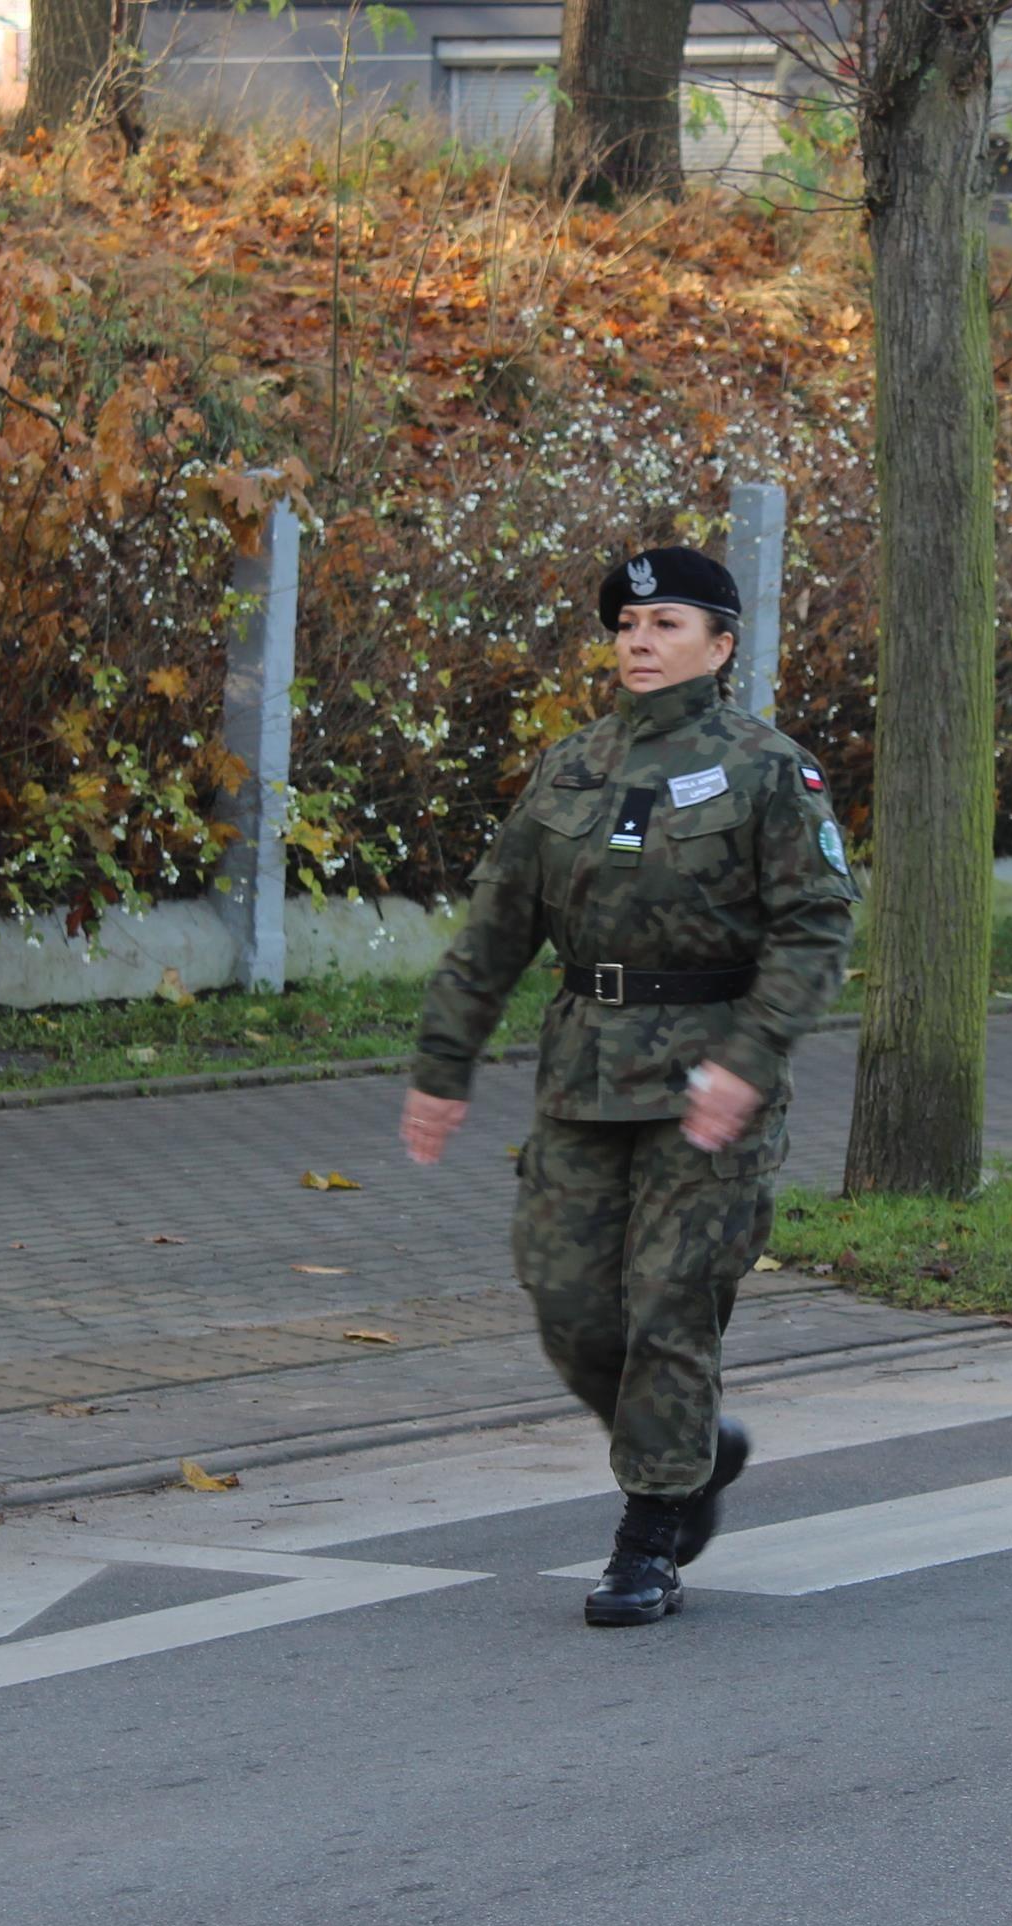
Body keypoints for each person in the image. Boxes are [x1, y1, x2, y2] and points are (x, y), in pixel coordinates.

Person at [400, 546, 858, 1627]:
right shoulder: (571, 767)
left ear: (721, 644)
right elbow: (495, 930)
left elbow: (814, 928)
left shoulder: (767, 769)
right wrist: (441, 1065)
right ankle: (693, 1446)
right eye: (627, 626)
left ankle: (651, 1530)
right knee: (567, 1306)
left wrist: (749, 1062)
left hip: (708, 1076)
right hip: (583, 1073)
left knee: (668, 1307)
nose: (639, 643)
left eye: (665, 625)